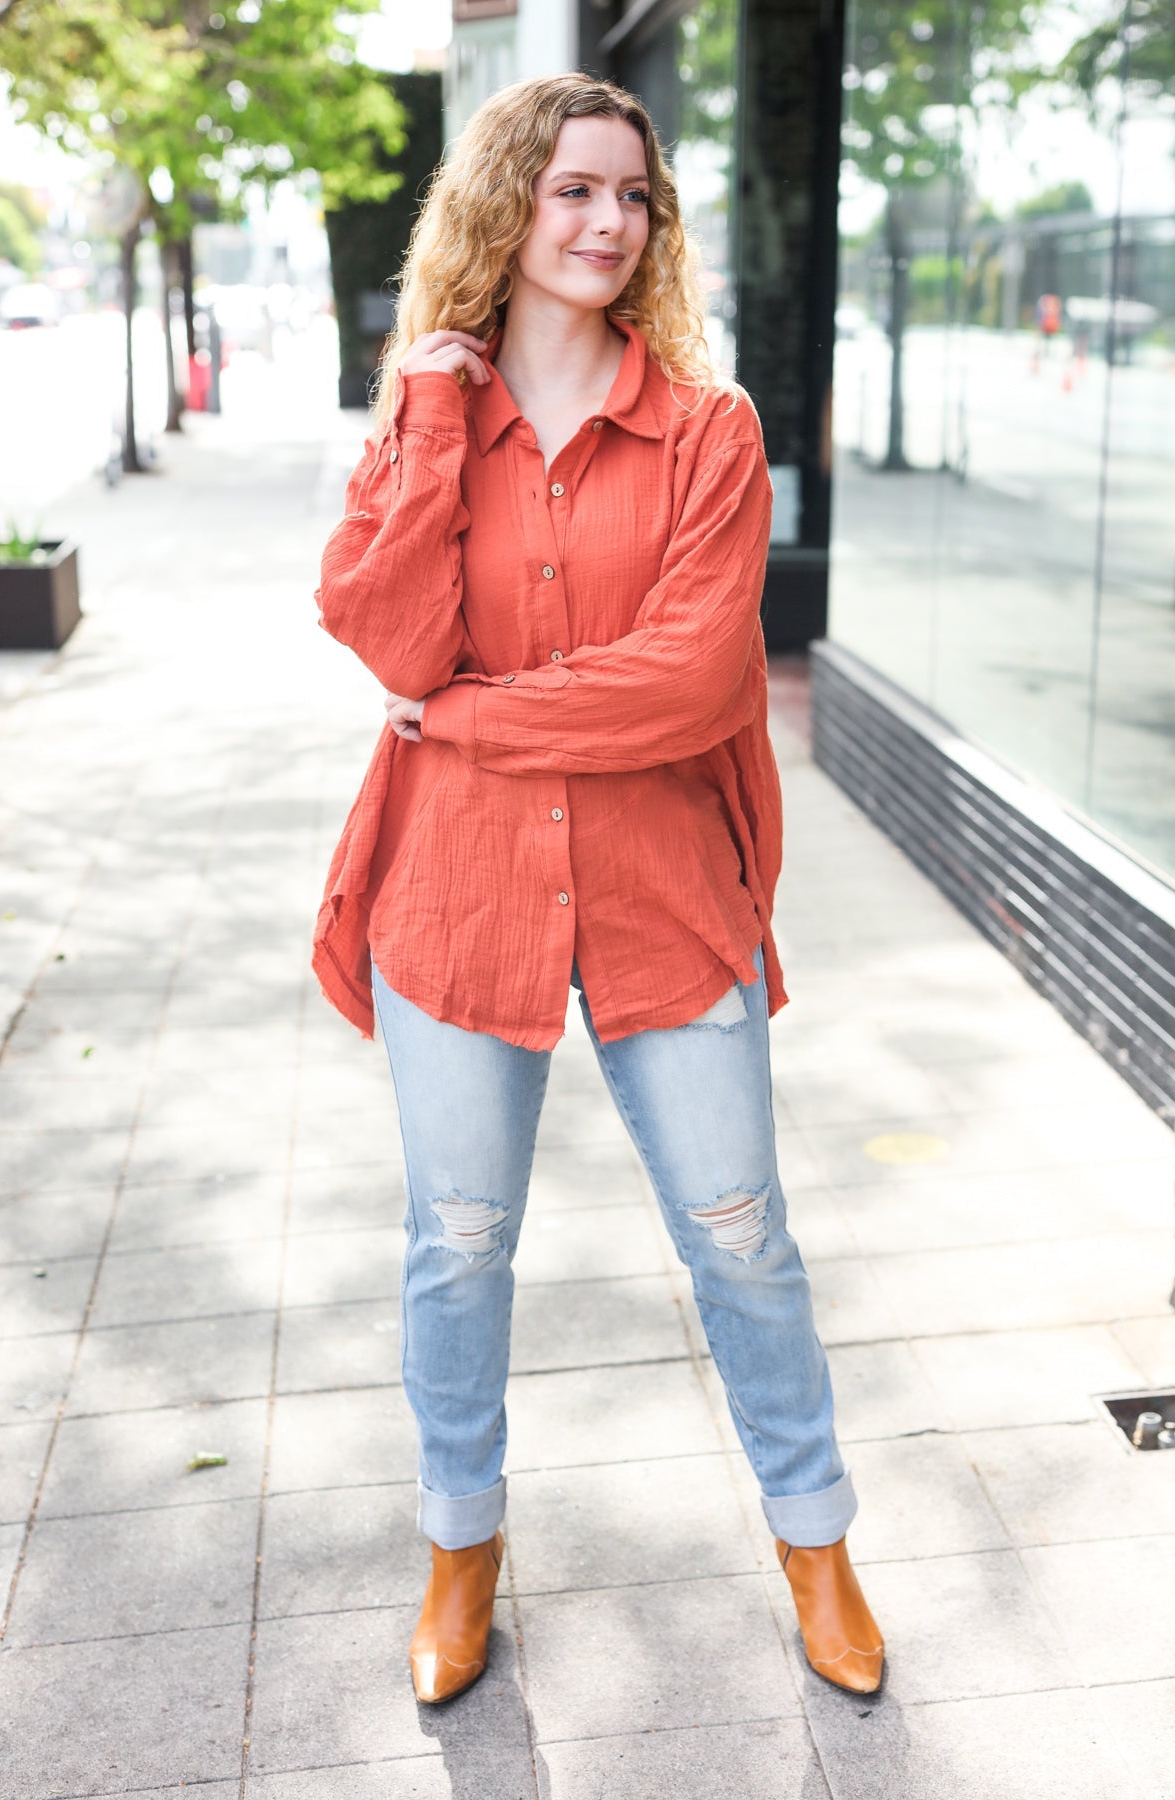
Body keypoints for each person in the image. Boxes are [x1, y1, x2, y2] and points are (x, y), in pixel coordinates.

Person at [312, 72, 885, 1706]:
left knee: (742, 1235)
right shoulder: (427, 421)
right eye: (572, 190)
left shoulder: (713, 433)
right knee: (458, 1243)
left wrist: (473, 716)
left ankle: (819, 1547)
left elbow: (694, 684)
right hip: (461, 896)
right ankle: (460, 1555)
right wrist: (430, 421)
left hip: (659, 893)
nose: (605, 222)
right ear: (507, 205)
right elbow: (385, 635)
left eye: (631, 196)